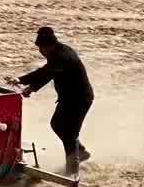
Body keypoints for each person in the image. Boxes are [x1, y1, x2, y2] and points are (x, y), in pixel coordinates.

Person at [11, 26, 94, 174]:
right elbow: (49, 73)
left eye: (40, 49)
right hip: (68, 98)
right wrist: (31, 88)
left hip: (80, 99)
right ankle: (80, 152)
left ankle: (72, 171)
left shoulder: (63, 56)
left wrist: (21, 80)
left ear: (46, 47)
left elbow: (46, 72)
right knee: (57, 124)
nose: (41, 53)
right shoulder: (57, 54)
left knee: (69, 132)